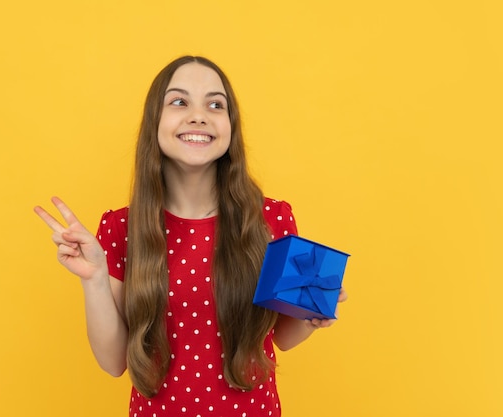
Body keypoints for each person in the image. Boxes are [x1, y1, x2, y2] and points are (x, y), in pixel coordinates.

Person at [34, 55, 347, 417]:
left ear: (230, 127)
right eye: (179, 101)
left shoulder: (271, 219)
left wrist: (312, 315)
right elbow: (113, 362)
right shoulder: (121, 229)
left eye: (216, 104)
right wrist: (95, 280)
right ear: (156, 122)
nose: (199, 115)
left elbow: (284, 338)